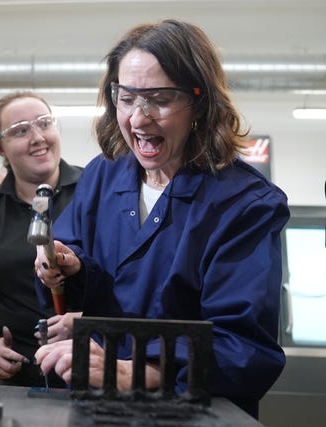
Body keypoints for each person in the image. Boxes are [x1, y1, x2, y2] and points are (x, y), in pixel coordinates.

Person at [33, 19, 290, 419]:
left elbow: (243, 350)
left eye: (159, 98)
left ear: (200, 102)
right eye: (127, 97)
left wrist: (136, 370)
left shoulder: (245, 204)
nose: (139, 118)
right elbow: (88, 288)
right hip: (95, 407)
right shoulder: (105, 175)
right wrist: (71, 268)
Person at [0, 91, 83, 387]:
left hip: (92, 367)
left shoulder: (97, 193)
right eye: (20, 131)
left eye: (44, 123)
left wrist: (85, 321)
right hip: (17, 377)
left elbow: (131, 289)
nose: (37, 137)